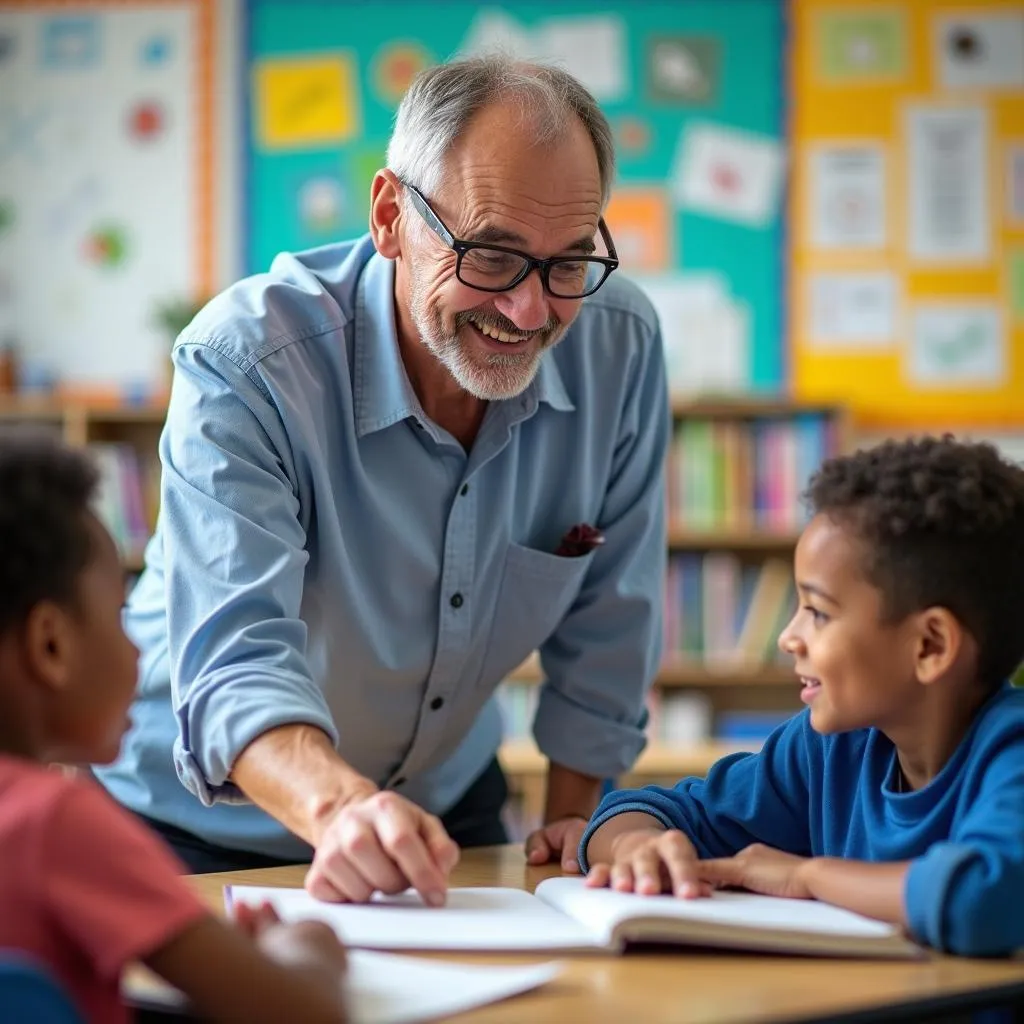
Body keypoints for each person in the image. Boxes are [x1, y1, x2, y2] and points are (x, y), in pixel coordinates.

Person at [95, 54, 669, 899]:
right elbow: (234, 659)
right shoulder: (248, 362)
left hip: (432, 803)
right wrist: (340, 812)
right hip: (197, 819)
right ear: (391, 216)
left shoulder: (619, 345)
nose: (530, 310)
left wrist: (572, 844)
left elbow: (610, 626)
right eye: (494, 255)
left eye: (569, 262)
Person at [579, 435, 1024, 957]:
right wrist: (638, 845)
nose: (788, 637)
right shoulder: (831, 748)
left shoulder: (1009, 751)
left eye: (818, 612)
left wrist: (807, 876)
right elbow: (649, 809)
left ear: (930, 645)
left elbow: (983, 900)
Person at [0, 438, 350, 1023]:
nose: (139, 651)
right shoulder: (60, 826)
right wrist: (305, 948)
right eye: (119, 613)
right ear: (51, 644)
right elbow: (304, 1013)